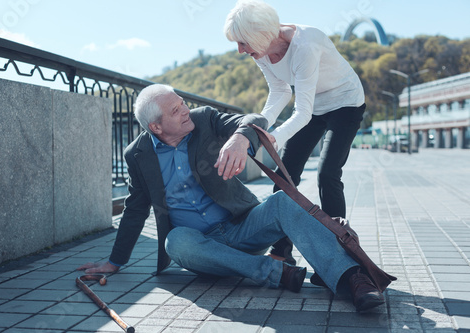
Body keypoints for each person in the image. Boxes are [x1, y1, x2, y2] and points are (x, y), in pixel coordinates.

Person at [78, 84, 385, 312]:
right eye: (175, 111)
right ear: (156, 126)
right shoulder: (137, 154)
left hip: (243, 226)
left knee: (281, 202)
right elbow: (134, 208)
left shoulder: (203, 119)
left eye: (182, 103)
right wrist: (116, 261)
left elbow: (254, 120)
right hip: (200, 247)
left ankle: (351, 279)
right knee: (176, 241)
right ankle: (277, 273)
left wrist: (240, 138)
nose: (185, 110)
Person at [223, 0, 367, 267]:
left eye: (243, 43)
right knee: (285, 176)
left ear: (260, 34)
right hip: (313, 105)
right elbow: (280, 92)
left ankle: (341, 256)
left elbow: (302, 112)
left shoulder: (306, 44)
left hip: (345, 102)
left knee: (328, 174)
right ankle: (281, 250)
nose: (240, 50)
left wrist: (276, 137)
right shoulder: (262, 50)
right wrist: (260, 128)